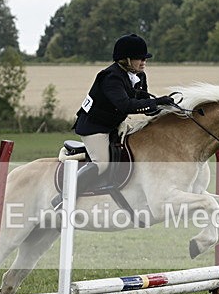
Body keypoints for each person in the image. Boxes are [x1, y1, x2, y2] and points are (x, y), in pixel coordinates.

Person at [53, 34, 174, 208]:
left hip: (114, 123)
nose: (143, 62)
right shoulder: (111, 77)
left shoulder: (139, 75)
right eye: (139, 58)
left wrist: (165, 108)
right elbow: (125, 105)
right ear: (126, 60)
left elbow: (143, 101)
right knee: (101, 163)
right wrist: (156, 102)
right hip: (94, 126)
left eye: (144, 58)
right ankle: (64, 198)